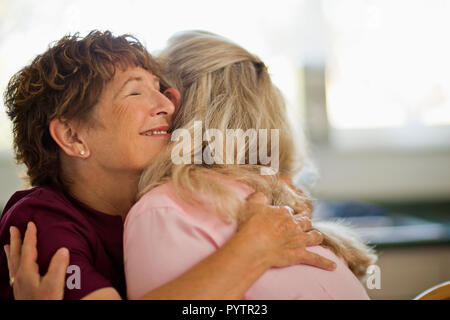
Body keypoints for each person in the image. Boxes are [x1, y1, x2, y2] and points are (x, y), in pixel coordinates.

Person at [0, 30, 336, 300]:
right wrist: (252, 249)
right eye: (134, 93)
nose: (166, 104)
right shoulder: (40, 218)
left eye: (160, 89)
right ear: (72, 135)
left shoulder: (155, 205)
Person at [124, 31, 376, 299]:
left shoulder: (163, 210)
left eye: (156, 90)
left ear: (174, 105)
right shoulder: (279, 204)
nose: (155, 104)